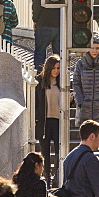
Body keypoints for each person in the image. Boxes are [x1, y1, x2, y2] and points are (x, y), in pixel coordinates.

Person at [72, 35, 99, 181]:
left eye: (97, 48)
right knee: (84, 144)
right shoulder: (80, 64)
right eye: (92, 48)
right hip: (85, 109)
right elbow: (76, 83)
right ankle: (83, 174)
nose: (94, 51)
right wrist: (80, 101)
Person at [32, 0, 62, 71]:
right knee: (59, 53)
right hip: (60, 22)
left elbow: (36, 2)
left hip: (44, 21)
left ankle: (40, 78)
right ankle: (60, 79)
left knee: (40, 51)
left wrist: (35, 19)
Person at [34, 54, 61, 182]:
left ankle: (57, 174)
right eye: (54, 68)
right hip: (44, 121)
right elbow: (35, 103)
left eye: (58, 68)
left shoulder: (63, 83)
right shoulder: (40, 83)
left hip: (58, 121)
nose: (56, 71)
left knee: (58, 150)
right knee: (45, 152)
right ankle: (47, 177)